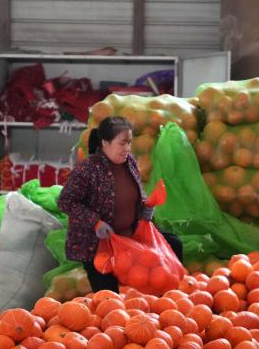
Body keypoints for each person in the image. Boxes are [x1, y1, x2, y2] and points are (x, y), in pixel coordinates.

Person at [59, 115, 184, 293]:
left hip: (130, 238)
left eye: (129, 143)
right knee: (110, 300)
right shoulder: (87, 169)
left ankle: (167, 305)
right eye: (122, 143)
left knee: (174, 245)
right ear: (105, 143)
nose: (127, 148)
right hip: (99, 246)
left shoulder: (129, 162)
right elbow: (66, 201)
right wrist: (95, 222)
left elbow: (134, 194)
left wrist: (145, 208)